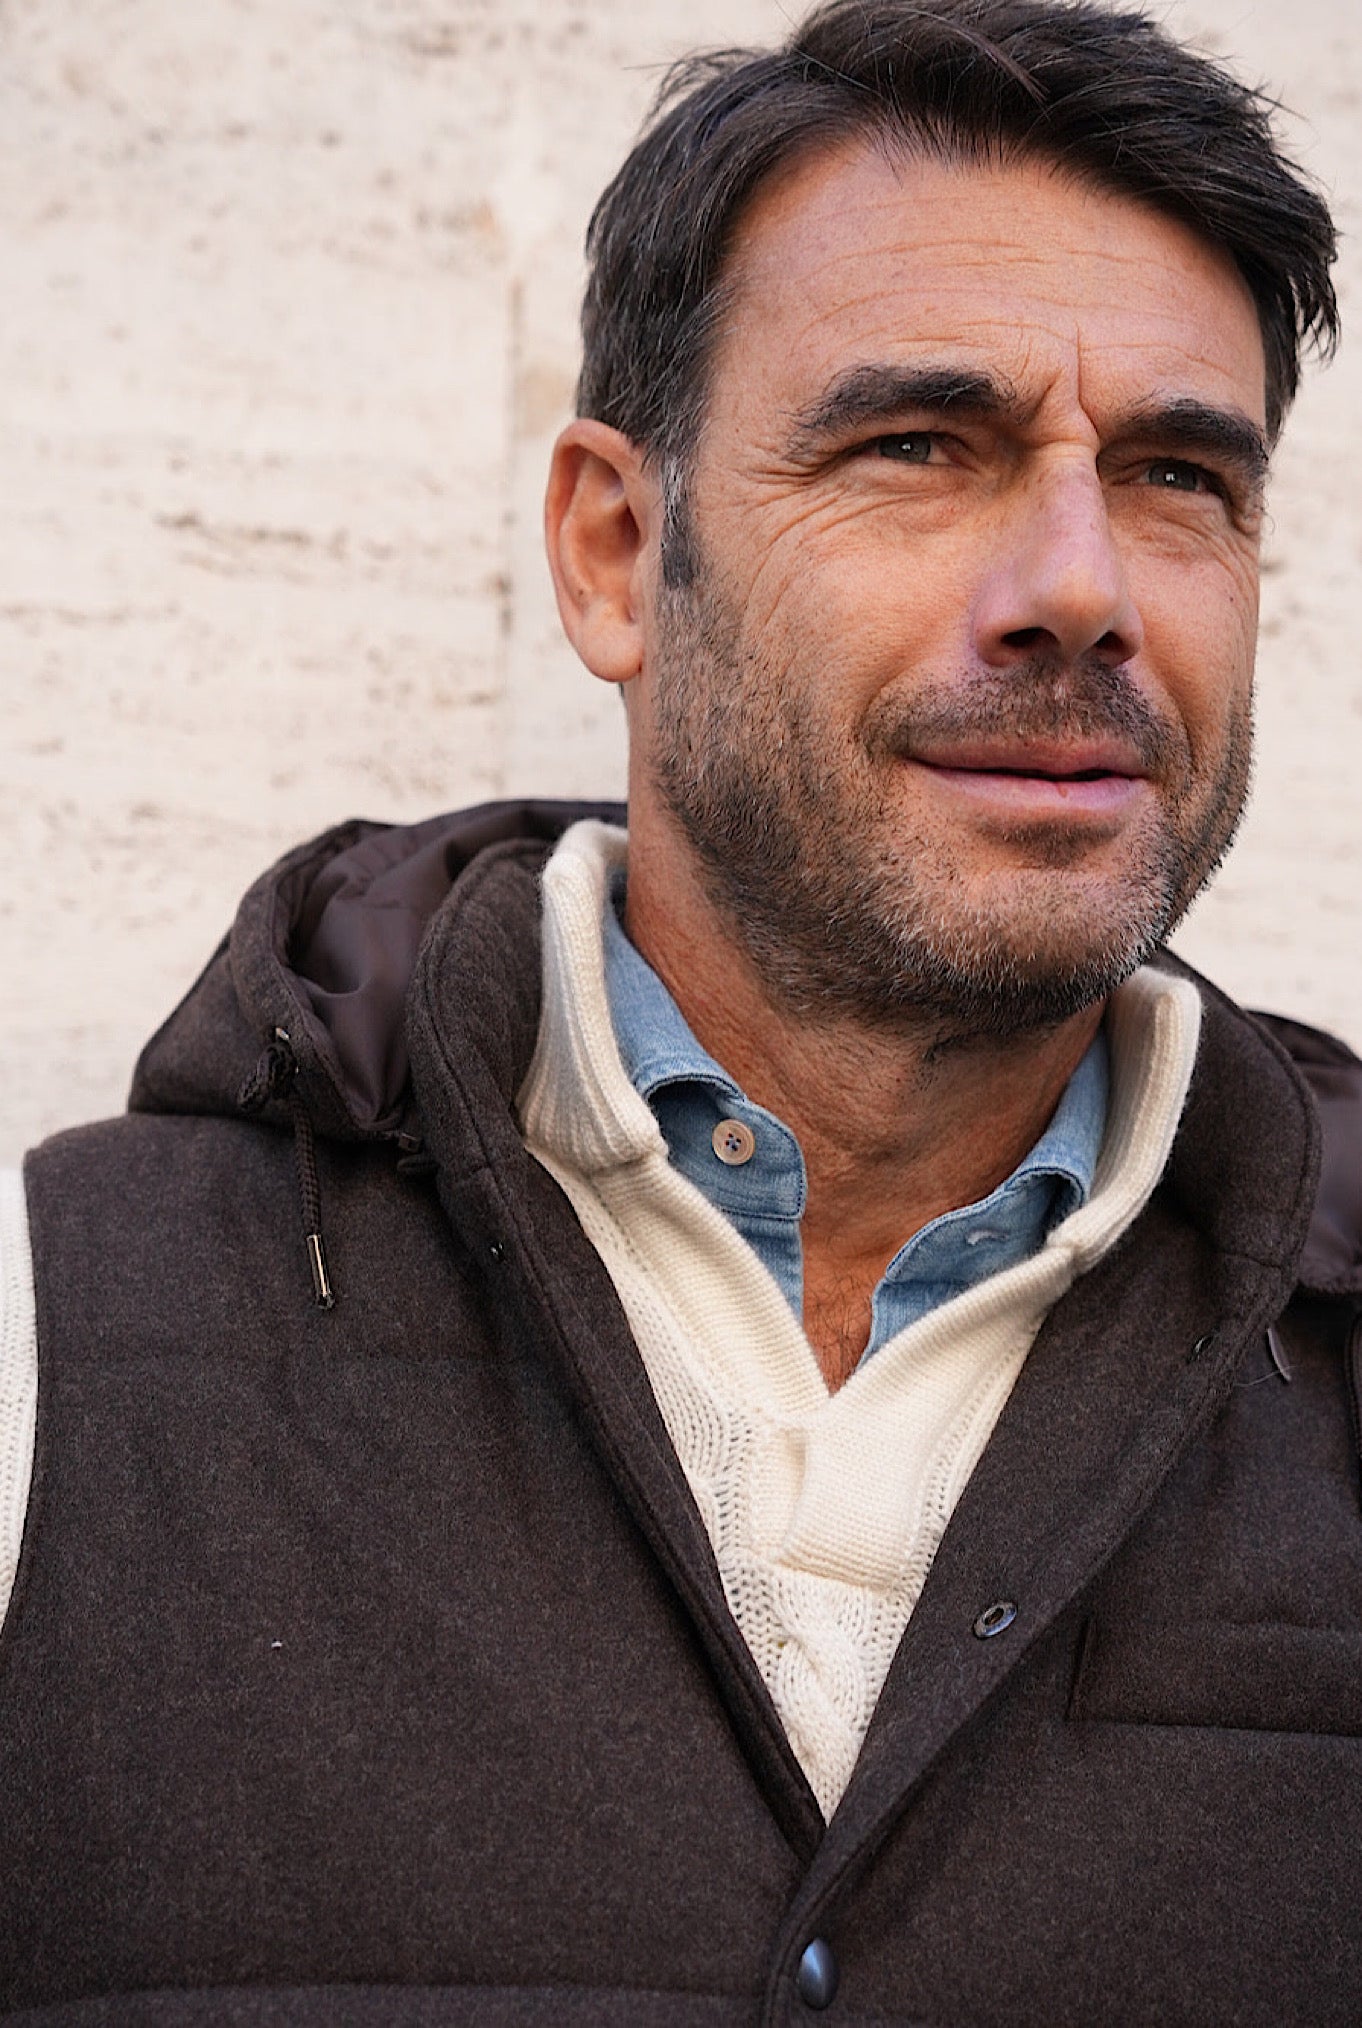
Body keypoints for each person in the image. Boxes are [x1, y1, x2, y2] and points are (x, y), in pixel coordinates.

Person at [2, 0, 1361, 2020]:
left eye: (1177, 476)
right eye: (919, 447)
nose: (1081, 587)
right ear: (617, 552)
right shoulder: (54, 1344)